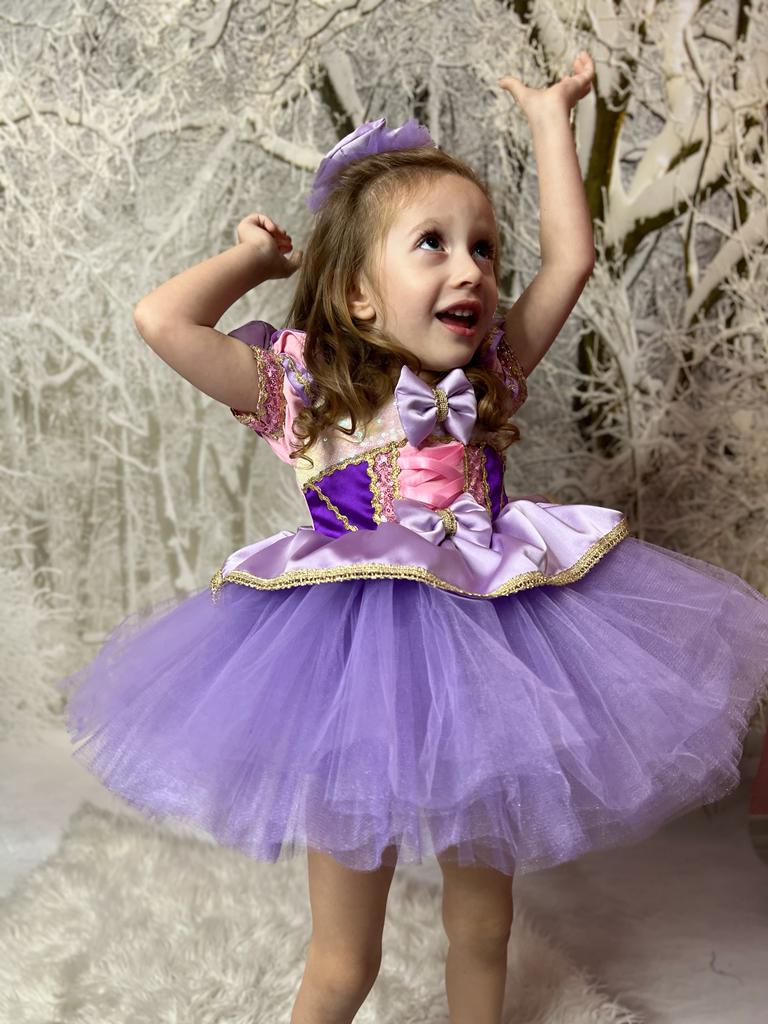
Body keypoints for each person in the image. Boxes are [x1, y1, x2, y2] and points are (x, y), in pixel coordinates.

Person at [58, 51, 768, 1024]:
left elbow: (570, 261)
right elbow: (160, 319)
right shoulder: (304, 390)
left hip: (488, 661)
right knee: (344, 956)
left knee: (484, 928)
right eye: (432, 244)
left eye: (484, 248)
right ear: (357, 292)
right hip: (349, 669)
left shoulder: (489, 376)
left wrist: (550, 118)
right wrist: (253, 262)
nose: (471, 268)